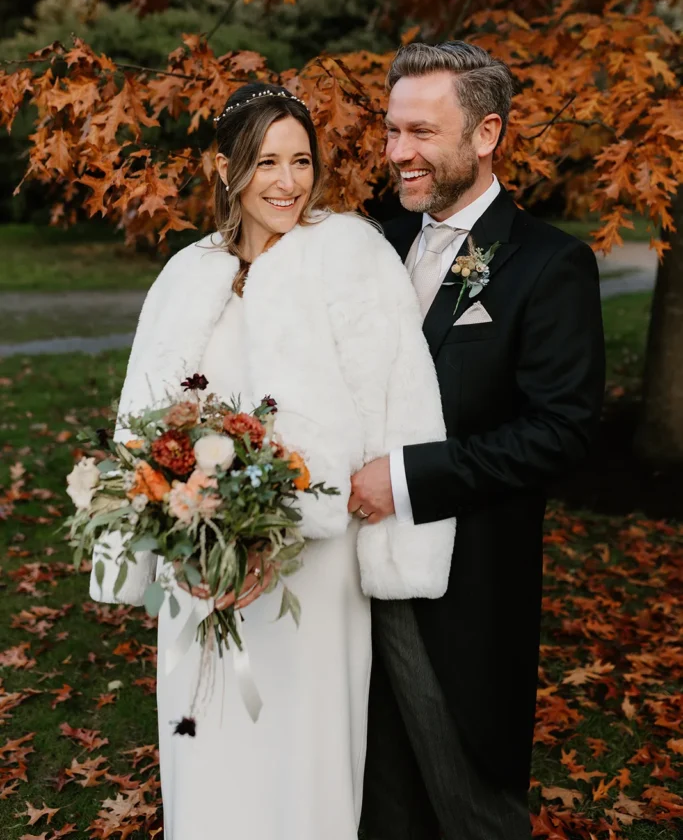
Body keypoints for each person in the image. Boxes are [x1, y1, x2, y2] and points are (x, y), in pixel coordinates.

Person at [88, 83, 453, 840]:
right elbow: (142, 420)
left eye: (300, 162)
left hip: (312, 570)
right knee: (207, 752)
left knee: (305, 762)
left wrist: (400, 547)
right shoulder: (188, 274)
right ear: (226, 170)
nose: (286, 182)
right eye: (265, 163)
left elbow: (401, 401)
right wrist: (158, 538)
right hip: (197, 569)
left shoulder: (352, 258)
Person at [351, 41, 606, 840]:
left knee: (466, 797)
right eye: (392, 131)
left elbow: (559, 432)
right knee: (373, 789)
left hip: (465, 582)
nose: (398, 153)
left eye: (421, 133)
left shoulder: (547, 263)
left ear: (486, 133)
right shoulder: (372, 245)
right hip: (346, 573)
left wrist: (406, 477)